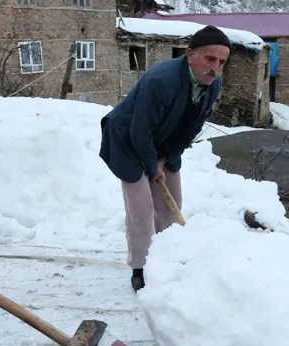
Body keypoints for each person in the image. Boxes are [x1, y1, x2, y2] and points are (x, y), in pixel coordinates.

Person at [99, 25, 231, 291]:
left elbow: (192, 127)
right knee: (142, 210)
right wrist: (151, 166)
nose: (215, 68)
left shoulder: (213, 84)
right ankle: (140, 267)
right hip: (126, 141)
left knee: (172, 203)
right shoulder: (161, 79)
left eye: (221, 62)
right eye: (209, 59)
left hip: (163, 140)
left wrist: (167, 158)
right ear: (190, 55)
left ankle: (168, 257)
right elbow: (139, 131)